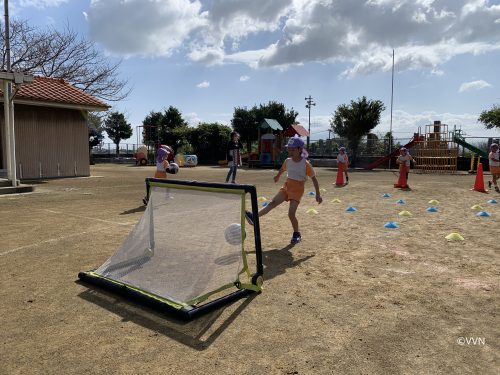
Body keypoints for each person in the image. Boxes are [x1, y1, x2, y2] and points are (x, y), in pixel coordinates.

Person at [245, 135, 322, 244]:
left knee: (291, 213)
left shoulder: (305, 164)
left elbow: (314, 179)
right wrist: (277, 176)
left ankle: (296, 234)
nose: (290, 151)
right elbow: (282, 169)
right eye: (289, 149)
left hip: (297, 190)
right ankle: (254, 217)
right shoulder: (287, 161)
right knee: (272, 203)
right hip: (287, 186)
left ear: (300, 149)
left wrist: (317, 194)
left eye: (293, 149)